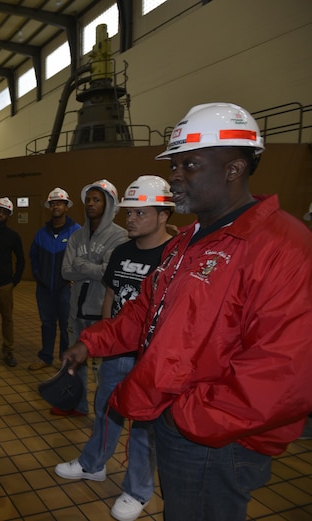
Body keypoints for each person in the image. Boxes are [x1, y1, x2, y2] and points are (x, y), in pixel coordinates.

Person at [61, 102, 312, 521]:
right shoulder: (189, 242)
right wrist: (91, 341)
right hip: (180, 421)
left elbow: (284, 371)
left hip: (219, 439)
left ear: (233, 168)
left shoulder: (283, 247)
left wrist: (186, 418)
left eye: (189, 165)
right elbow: (145, 311)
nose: (175, 176)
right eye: (174, 165)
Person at [55, 175, 174, 521]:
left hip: (152, 357)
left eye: (140, 212)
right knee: (106, 409)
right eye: (129, 212)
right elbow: (111, 295)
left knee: (142, 425)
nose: (131, 219)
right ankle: (93, 464)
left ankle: (137, 491)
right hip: (118, 348)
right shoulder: (123, 250)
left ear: (163, 214)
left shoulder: (173, 255)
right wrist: (107, 336)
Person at [58, 179, 127, 416]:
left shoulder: (120, 237)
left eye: (96, 200)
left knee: (103, 368)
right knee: (74, 363)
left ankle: (104, 412)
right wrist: (92, 267)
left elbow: (108, 273)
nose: (90, 204)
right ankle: (77, 405)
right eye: (88, 200)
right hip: (76, 309)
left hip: (102, 313)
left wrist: (82, 265)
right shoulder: (77, 237)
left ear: (108, 203)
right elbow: (65, 270)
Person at [28, 188, 81, 370]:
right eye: (53, 203)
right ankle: (45, 357)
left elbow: (83, 257)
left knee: (67, 325)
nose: (56, 206)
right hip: (44, 288)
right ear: (49, 207)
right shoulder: (41, 233)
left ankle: (65, 360)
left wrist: (74, 278)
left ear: (66, 207)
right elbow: (33, 256)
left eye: (59, 203)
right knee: (47, 324)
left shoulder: (77, 232)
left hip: (66, 288)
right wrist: (38, 274)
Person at [0, 197, 25, 367]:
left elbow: (21, 260)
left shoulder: (13, 236)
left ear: (8, 215)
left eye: (4, 212)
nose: (1, 214)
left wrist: (13, 282)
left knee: (7, 318)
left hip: (4, 285)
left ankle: (8, 351)